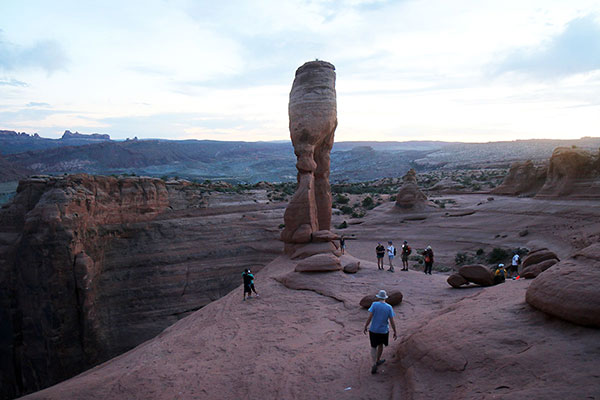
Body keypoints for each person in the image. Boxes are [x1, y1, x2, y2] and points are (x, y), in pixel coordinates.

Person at [363, 290, 397, 374]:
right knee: (380, 345)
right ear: (385, 298)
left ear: (378, 297)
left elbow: (370, 317)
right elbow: (392, 320)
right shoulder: (389, 307)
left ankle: (373, 363)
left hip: (373, 329)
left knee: (373, 346)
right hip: (383, 330)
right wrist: (395, 331)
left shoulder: (374, 305)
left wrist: (366, 325)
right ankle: (378, 360)